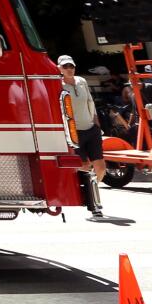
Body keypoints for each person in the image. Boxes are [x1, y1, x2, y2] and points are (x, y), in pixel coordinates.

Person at [58, 56, 108, 219]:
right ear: (59, 69)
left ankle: (93, 191)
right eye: (65, 67)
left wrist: (96, 122)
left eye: (71, 66)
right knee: (84, 166)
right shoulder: (59, 85)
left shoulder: (81, 81)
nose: (69, 69)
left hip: (90, 128)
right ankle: (91, 200)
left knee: (100, 168)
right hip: (74, 131)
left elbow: (90, 101)